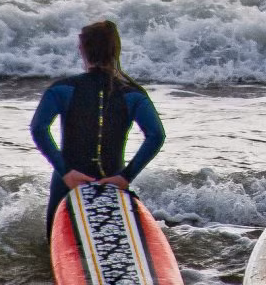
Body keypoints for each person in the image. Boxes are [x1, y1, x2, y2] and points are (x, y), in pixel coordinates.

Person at [30, 19, 166, 237]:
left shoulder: (62, 89)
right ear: (115, 50)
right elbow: (156, 135)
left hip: (68, 185)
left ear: (83, 50)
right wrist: (125, 177)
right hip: (113, 185)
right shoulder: (133, 94)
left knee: (54, 249)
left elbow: (38, 129)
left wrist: (66, 172)